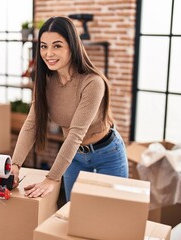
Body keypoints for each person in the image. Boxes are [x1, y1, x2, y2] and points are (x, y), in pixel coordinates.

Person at [11, 16, 128, 201]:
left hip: (107, 154)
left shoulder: (93, 82)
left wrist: (51, 178)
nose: (49, 53)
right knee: (73, 213)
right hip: (75, 157)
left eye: (57, 46)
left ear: (72, 46)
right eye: (44, 46)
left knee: (110, 214)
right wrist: (15, 165)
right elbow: (31, 125)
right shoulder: (45, 83)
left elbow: (76, 134)